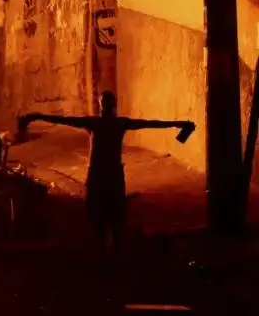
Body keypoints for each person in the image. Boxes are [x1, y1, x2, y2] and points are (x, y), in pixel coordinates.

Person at [17, 90, 195, 258]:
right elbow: (152, 123)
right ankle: (115, 249)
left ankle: (103, 249)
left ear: (101, 105)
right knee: (115, 212)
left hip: (97, 173)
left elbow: (65, 120)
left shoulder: (94, 123)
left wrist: (38, 116)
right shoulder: (120, 123)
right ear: (114, 105)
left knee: (99, 213)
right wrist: (179, 124)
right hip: (114, 173)